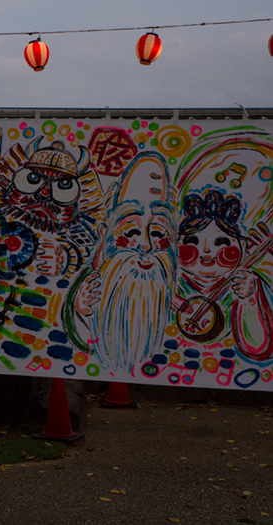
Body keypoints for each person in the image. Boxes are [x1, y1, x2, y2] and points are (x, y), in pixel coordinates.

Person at [63, 151, 177, 374]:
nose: (146, 246)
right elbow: (80, 339)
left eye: (157, 232)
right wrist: (81, 310)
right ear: (105, 238)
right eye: (132, 231)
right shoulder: (93, 285)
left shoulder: (177, 299)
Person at [176, 189, 273, 362]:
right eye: (192, 242)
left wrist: (249, 300)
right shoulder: (170, 281)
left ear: (242, 247)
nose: (206, 251)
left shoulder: (245, 284)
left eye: (220, 243)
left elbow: (258, 347)